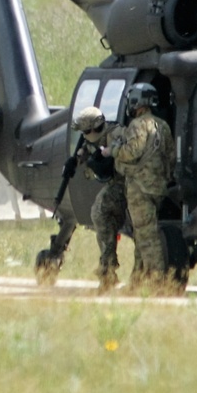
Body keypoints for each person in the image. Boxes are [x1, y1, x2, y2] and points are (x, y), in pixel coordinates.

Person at [107, 83, 175, 290]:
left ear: (137, 103)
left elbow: (132, 152)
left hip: (140, 189)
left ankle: (157, 282)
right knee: (141, 234)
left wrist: (114, 150)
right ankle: (137, 282)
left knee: (148, 238)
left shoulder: (137, 125)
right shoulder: (162, 126)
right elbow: (171, 157)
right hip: (157, 188)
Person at [70, 106, 128, 292]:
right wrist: (76, 160)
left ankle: (108, 269)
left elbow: (117, 157)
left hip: (129, 183)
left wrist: (103, 156)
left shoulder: (118, 134)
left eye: (86, 131)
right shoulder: (99, 138)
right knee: (101, 215)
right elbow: (88, 150)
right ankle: (108, 269)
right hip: (121, 184)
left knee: (100, 212)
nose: (85, 136)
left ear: (95, 128)